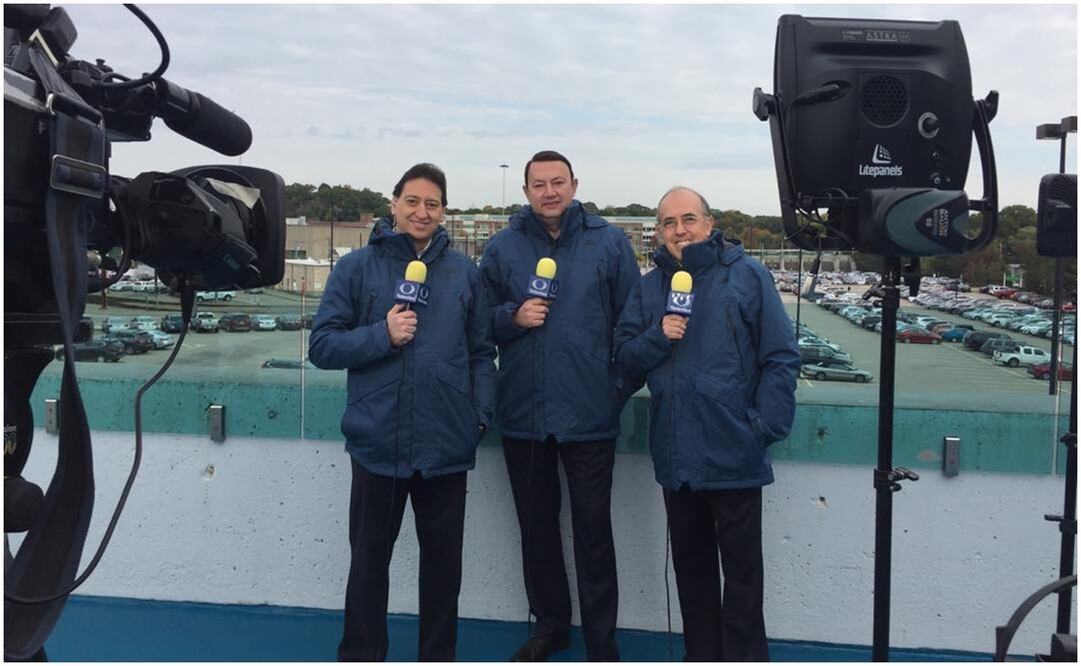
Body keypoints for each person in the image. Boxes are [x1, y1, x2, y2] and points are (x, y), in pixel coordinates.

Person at [309, 163, 496, 662]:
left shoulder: (464, 274)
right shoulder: (356, 268)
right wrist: (381, 335)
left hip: (446, 445)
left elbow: (481, 352)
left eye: (432, 204)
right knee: (369, 566)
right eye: (412, 201)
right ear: (394, 204)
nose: (421, 211)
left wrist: (478, 415)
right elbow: (322, 346)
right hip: (377, 445)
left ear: (443, 213)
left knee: (442, 573)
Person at [613, 186, 799, 661]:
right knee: (692, 578)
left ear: (709, 224)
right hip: (678, 457)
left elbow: (781, 357)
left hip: (735, 453)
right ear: (659, 231)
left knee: (742, 581)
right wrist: (658, 337)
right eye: (670, 223)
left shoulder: (749, 276)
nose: (680, 230)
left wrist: (761, 426)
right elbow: (625, 355)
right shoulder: (649, 287)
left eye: (689, 219)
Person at [478, 151, 640, 662]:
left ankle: (601, 640)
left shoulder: (609, 242)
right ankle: (551, 625)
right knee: (537, 530)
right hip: (524, 413)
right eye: (539, 184)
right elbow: (476, 321)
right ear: (525, 191)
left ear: (575, 185)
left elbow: (632, 327)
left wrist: (613, 390)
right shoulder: (502, 247)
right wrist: (512, 317)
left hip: (590, 416)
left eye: (558, 182)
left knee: (594, 533)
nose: (549, 192)